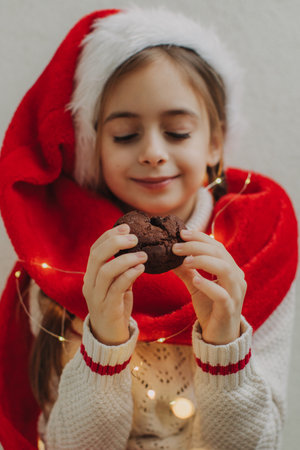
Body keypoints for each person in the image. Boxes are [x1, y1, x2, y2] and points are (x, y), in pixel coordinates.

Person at [0, 7, 298, 450]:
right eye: (124, 135)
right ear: (93, 147)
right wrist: (103, 340)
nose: (154, 152)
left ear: (215, 140)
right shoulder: (61, 263)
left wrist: (225, 347)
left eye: (177, 132)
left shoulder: (260, 250)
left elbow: (261, 444)